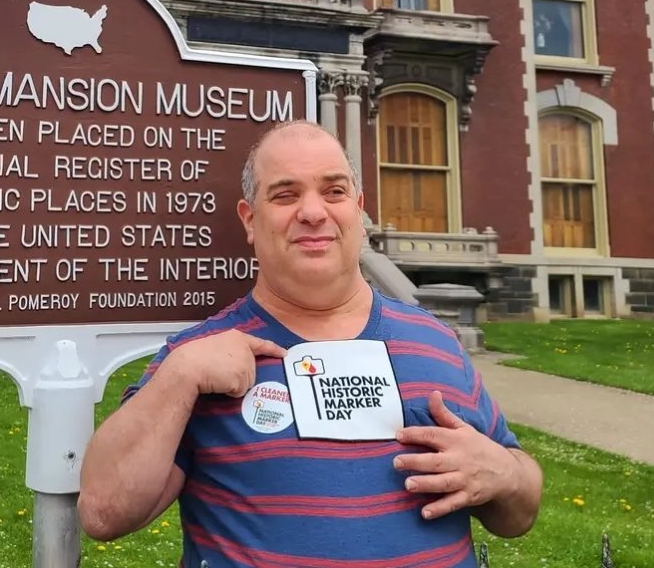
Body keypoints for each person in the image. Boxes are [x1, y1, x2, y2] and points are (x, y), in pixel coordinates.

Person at [78, 119, 542, 567]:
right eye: (285, 194)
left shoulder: (436, 342)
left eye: (334, 191)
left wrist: (505, 474)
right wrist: (178, 378)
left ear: (358, 209)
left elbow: (519, 512)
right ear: (250, 219)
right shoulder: (201, 357)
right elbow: (103, 511)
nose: (314, 212)